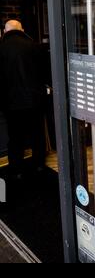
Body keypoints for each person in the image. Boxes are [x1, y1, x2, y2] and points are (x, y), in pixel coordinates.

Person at [0, 20, 46, 179]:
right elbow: (45, 73)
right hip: (35, 100)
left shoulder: (1, 48)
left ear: (4, 31)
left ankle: (17, 169)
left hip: (10, 103)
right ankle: (39, 165)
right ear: (22, 29)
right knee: (37, 135)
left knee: (15, 138)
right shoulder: (34, 46)